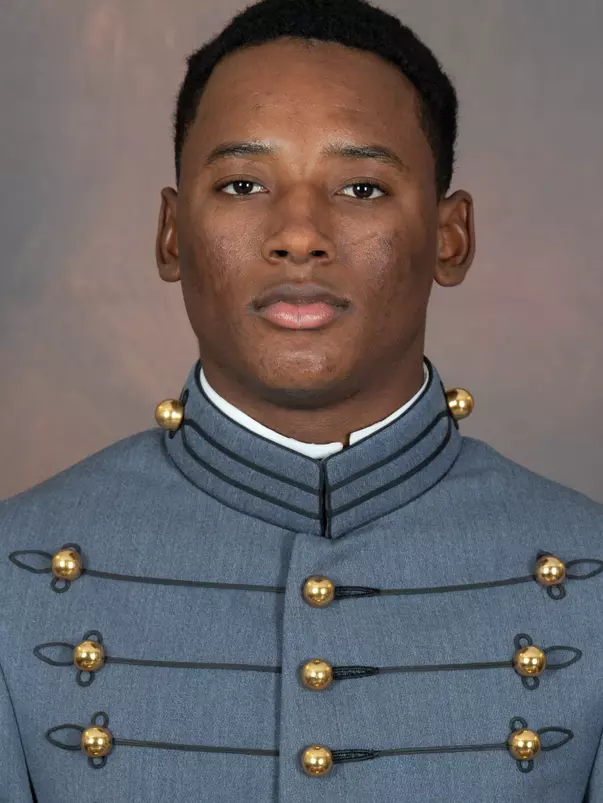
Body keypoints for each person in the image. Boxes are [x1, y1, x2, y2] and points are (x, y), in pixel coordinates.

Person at [1, 0, 602, 800]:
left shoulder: (589, 575)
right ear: (171, 233)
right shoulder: (19, 570)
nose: (298, 234)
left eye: (360, 186)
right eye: (243, 182)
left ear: (449, 236)